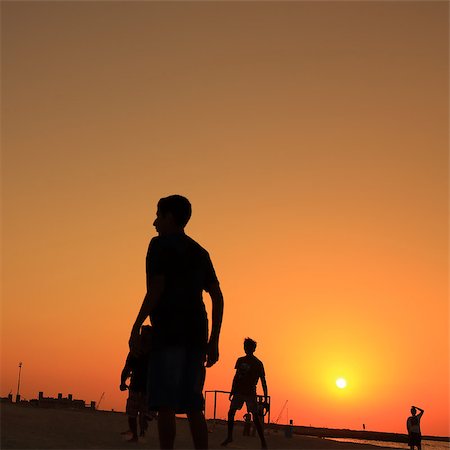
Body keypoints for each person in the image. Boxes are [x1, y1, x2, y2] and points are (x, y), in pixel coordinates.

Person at [129, 195, 224, 450]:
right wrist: (213, 340)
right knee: (194, 406)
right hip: (196, 333)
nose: (154, 223)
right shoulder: (199, 252)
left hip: (169, 332)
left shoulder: (158, 246)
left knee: (166, 404)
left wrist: (136, 324)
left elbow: (156, 288)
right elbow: (217, 296)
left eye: (158, 216)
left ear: (169, 217)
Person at [221, 338, 268, 449]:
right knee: (231, 413)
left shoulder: (258, 363)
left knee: (255, 418)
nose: (246, 349)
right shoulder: (240, 360)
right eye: (245, 346)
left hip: (250, 392)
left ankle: (263, 442)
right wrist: (232, 390)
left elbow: (263, 381)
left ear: (253, 349)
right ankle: (229, 437)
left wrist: (265, 397)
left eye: (249, 347)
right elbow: (236, 376)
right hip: (239, 391)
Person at [120, 325, 153, 442]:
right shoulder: (153, 354)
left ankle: (135, 434)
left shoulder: (136, 352)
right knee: (140, 412)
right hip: (147, 388)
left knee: (132, 414)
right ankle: (144, 420)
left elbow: (127, 368)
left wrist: (122, 382)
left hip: (137, 386)